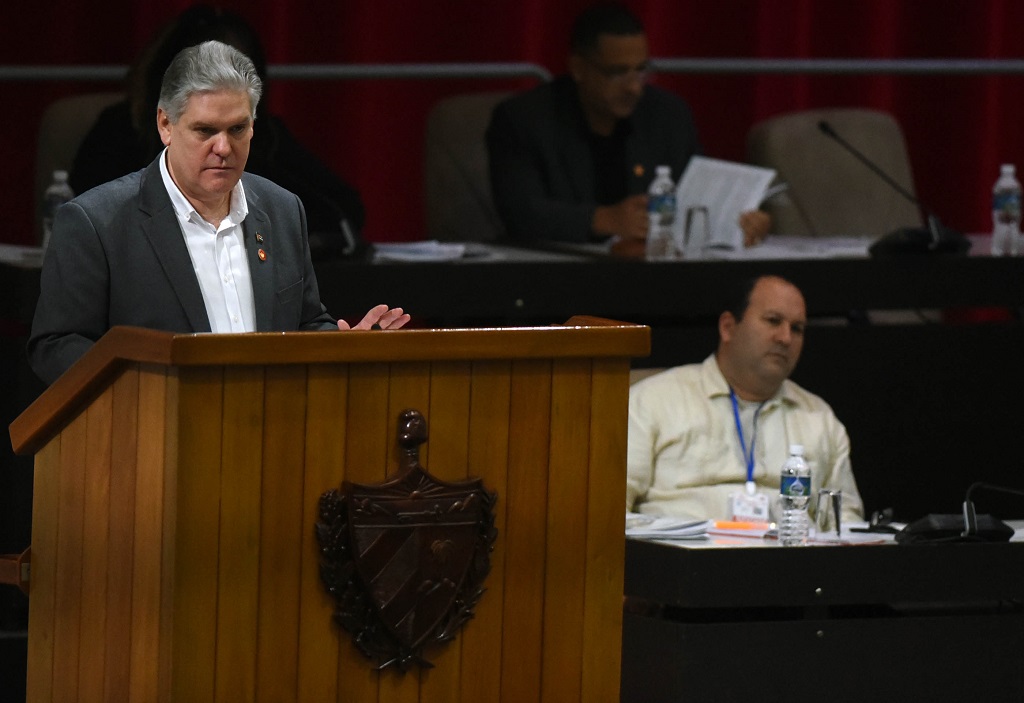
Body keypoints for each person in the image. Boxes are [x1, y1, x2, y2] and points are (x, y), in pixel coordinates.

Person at [28, 40, 408, 386]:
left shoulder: (282, 209)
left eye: (237, 129)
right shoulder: (96, 223)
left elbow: (304, 324)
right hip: (156, 429)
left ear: (253, 126)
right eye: (205, 130)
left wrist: (344, 347)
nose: (223, 148)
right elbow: (56, 346)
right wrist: (143, 389)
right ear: (165, 124)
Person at [69, 5, 366, 254]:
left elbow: (342, 208)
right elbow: (87, 220)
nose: (222, 147)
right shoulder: (120, 132)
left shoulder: (265, 137)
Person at [486, 3, 769, 252]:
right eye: (617, 72)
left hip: (654, 272)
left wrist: (741, 220)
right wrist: (602, 219)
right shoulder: (524, 119)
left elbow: (697, 197)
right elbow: (521, 211)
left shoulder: (667, 115)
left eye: (641, 70)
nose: (633, 87)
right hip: (558, 274)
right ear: (578, 68)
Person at [627, 275, 863, 524]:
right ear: (728, 327)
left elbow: (845, 520)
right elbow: (610, 505)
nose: (785, 338)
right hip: (681, 547)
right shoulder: (654, 400)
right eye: (773, 321)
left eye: (797, 328)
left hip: (788, 548)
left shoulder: (819, 418)